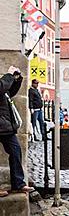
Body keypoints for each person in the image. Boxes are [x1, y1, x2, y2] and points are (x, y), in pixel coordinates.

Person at [0, 67, 34, 195]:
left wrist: (17, 79)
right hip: (3, 125)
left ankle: (18, 184)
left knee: (15, 151)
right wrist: (8, 74)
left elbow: (9, 92)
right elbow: (1, 88)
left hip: (6, 127)